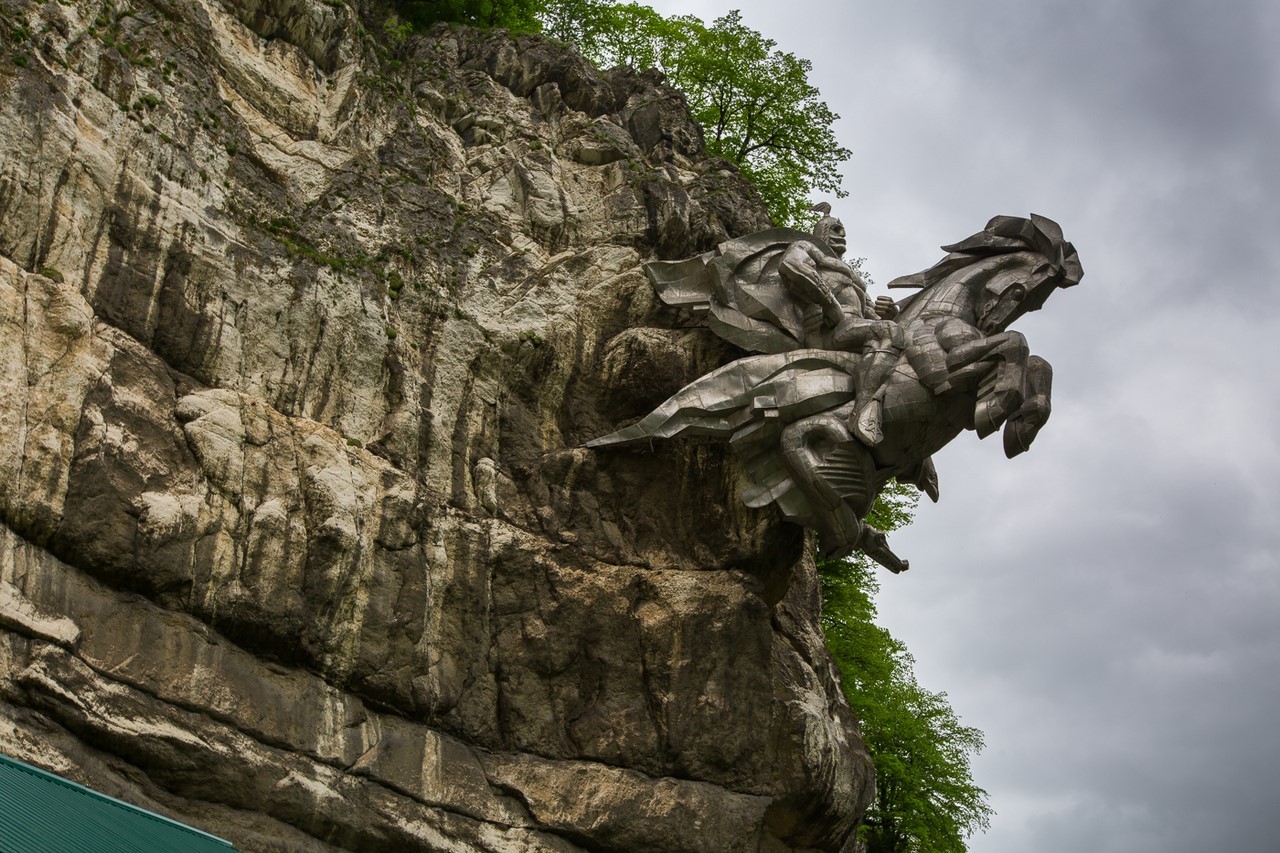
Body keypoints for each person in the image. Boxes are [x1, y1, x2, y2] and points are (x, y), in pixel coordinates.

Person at [778, 204, 903, 446]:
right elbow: (792, 266)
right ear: (821, 231)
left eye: (843, 230)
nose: (842, 234)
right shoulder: (807, 248)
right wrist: (830, 304)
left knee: (902, 341)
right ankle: (864, 411)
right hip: (827, 331)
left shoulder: (853, 279)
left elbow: (872, 317)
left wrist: (891, 313)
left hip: (852, 328)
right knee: (889, 332)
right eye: (835, 228)